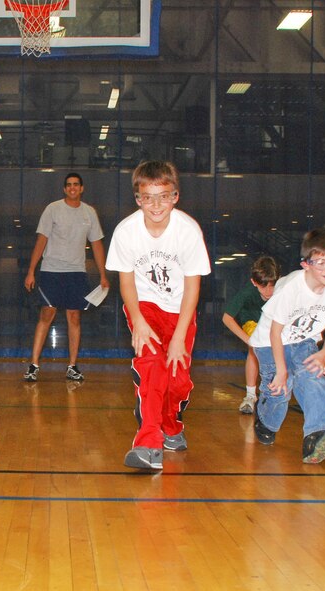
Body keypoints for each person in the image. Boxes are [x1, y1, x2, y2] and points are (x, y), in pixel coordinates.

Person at [105, 161, 211, 471]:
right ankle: (148, 443)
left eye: (164, 196)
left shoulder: (188, 231)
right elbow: (126, 282)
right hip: (145, 306)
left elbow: (193, 286)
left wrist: (179, 336)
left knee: (177, 379)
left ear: (175, 196)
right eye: (148, 197)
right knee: (151, 367)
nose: (156, 205)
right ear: (137, 198)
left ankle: (172, 426)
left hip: (180, 310)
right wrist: (137, 319)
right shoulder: (126, 232)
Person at [250, 226, 325, 464]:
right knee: (280, 391)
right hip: (269, 341)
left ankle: (318, 435)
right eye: (322, 263)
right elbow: (276, 332)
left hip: (304, 339)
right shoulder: (291, 288)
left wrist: (324, 354)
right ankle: (265, 419)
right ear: (306, 264)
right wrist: (282, 372)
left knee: (313, 376)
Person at [23, 172, 109, 382]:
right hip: (51, 271)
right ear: (64, 189)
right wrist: (31, 271)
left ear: (81, 188)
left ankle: (72, 366)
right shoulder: (53, 209)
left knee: (74, 317)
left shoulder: (89, 213)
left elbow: (96, 244)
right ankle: (34, 365)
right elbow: (41, 240)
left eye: (76, 185)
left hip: (77, 273)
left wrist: (103, 275)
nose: (72, 188)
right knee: (47, 314)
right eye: (68, 185)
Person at [221, 255, 281, 414]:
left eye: (272, 286)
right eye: (263, 287)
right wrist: (249, 340)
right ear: (254, 282)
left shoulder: (283, 289)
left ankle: (275, 391)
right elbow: (227, 318)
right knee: (255, 350)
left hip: (273, 322)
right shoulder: (247, 292)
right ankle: (250, 396)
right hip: (252, 320)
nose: (269, 291)